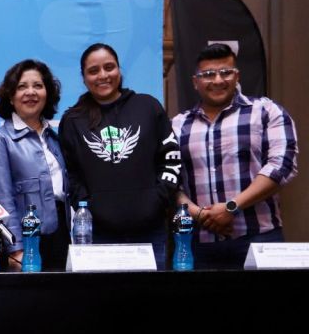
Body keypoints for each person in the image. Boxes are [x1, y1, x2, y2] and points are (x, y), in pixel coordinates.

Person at [172, 42, 298, 269]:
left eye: (226, 72)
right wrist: (199, 214)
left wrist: (231, 207)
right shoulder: (178, 126)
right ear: (195, 82)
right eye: (208, 74)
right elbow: (168, 181)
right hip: (198, 244)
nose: (218, 80)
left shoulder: (266, 112)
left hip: (260, 239)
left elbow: (282, 166)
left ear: (237, 76)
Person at [58, 43, 180, 269]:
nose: (103, 75)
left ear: (119, 70)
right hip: (100, 235)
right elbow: (71, 175)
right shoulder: (73, 120)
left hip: (150, 231)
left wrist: (157, 198)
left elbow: (171, 158)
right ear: (83, 78)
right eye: (93, 71)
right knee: (105, 302)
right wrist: (90, 206)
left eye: (109, 67)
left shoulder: (148, 106)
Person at [0, 59, 70, 271]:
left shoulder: (55, 138)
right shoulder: (0, 139)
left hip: (61, 236)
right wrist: (15, 248)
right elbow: (1, 198)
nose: (30, 92)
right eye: (22, 87)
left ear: (47, 94)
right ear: (11, 97)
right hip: (25, 241)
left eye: (38, 86)